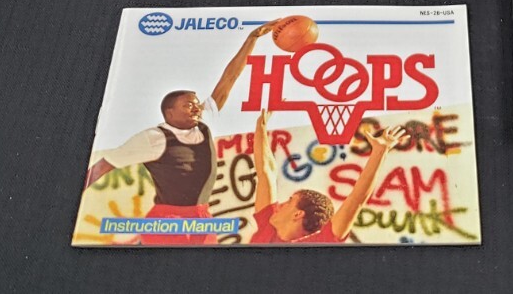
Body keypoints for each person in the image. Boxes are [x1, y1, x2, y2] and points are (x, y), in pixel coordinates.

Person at [84, 20, 284, 245]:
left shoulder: (202, 123)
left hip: (201, 218)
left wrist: (252, 39)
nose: (197, 108)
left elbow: (229, 78)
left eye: (197, 104)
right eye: (188, 105)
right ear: (169, 113)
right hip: (168, 219)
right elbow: (104, 164)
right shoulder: (153, 138)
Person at [248, 109, 409, 244]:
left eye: (290, 201)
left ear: (298, 214)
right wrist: (261, 125)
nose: (280, 204)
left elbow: (356, 200)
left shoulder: (320, 243)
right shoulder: (268, 224)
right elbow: (266, 172)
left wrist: (380, 151)